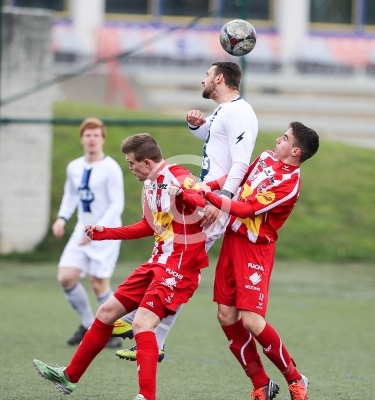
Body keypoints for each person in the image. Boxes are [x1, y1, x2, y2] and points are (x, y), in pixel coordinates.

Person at [33, 133, 209, 400]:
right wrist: (105, 232)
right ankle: (69, 377)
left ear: (147, 162)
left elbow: (203, 202)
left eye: (131, 163)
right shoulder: (151, 185)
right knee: (106, 312)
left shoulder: (178, 175)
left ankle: (146, 397)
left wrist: (184, 194)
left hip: (179, 267)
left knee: (141, 324)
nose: (130, 168)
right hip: (157, 262)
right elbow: (148, 226)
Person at [114, 60, 259, 362]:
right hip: (207, 198)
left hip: (216, 203)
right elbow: (214, 141)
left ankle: (147, 326)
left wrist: (224, 203)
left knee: (179, 260)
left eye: (206, 75)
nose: (202, 80)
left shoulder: (241, 113)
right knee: (179, 261)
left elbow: (241, 164)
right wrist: (198, 125)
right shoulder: (225, 111)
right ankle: (150, 328)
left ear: (219, 79)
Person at [170, 121, 319, 400]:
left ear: (296, 151)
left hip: (255, 251)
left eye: (284, 138)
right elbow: (235, 179)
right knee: (226, 315)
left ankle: (296, 378)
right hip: (232, 241)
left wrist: (207, 195)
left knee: (251, 321)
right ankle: (261, 384)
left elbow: (246, 208)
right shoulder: (265, 157)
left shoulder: (289, 184)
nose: (278, 139)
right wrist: (208, 185)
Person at [52, 117, 124, 348]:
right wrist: (62, 218)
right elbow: (71, 196)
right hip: (80, 232)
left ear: (102, 138)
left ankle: (114, 331)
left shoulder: (111, 168)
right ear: (82, 138)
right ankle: (88, 324)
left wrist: (99, 229)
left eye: (96, 135)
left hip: (106, 232)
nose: (91, 139)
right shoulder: (74, 166)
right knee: (66, 277)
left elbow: (117, 205)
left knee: (98, 283)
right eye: (87, 135)